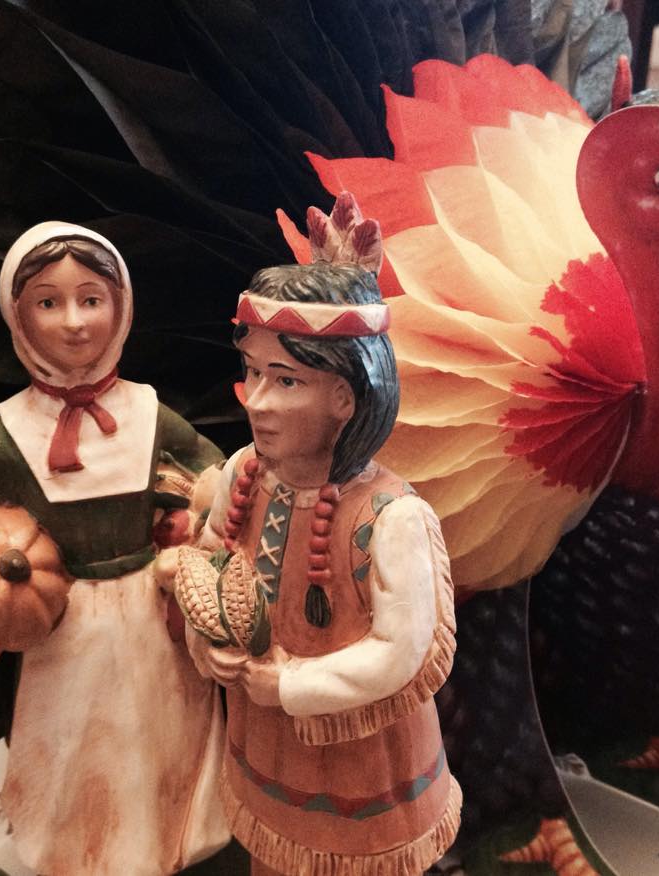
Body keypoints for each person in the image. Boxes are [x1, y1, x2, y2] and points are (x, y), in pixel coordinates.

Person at [0, 221, 229, 875]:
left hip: (156, 623)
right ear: (18, 318)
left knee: (168, 742)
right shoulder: (8, 436)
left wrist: (203, 520)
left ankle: (177, 846)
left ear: (121, 308)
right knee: (77, 757)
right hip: (64, 638)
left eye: (91, 299)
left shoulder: (148, 413)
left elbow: (217, 477)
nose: (74, 322)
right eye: (49, 302)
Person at [168, 197, 461, 876]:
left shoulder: (390, 519)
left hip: (361, 761)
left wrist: (291, 685)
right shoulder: (242, 474)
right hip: (266, 742)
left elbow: (400, 650)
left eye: (286, 380)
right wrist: (209, 643)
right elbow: (208, 565)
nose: (258, 401)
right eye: (253, 372)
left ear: (347, 397)